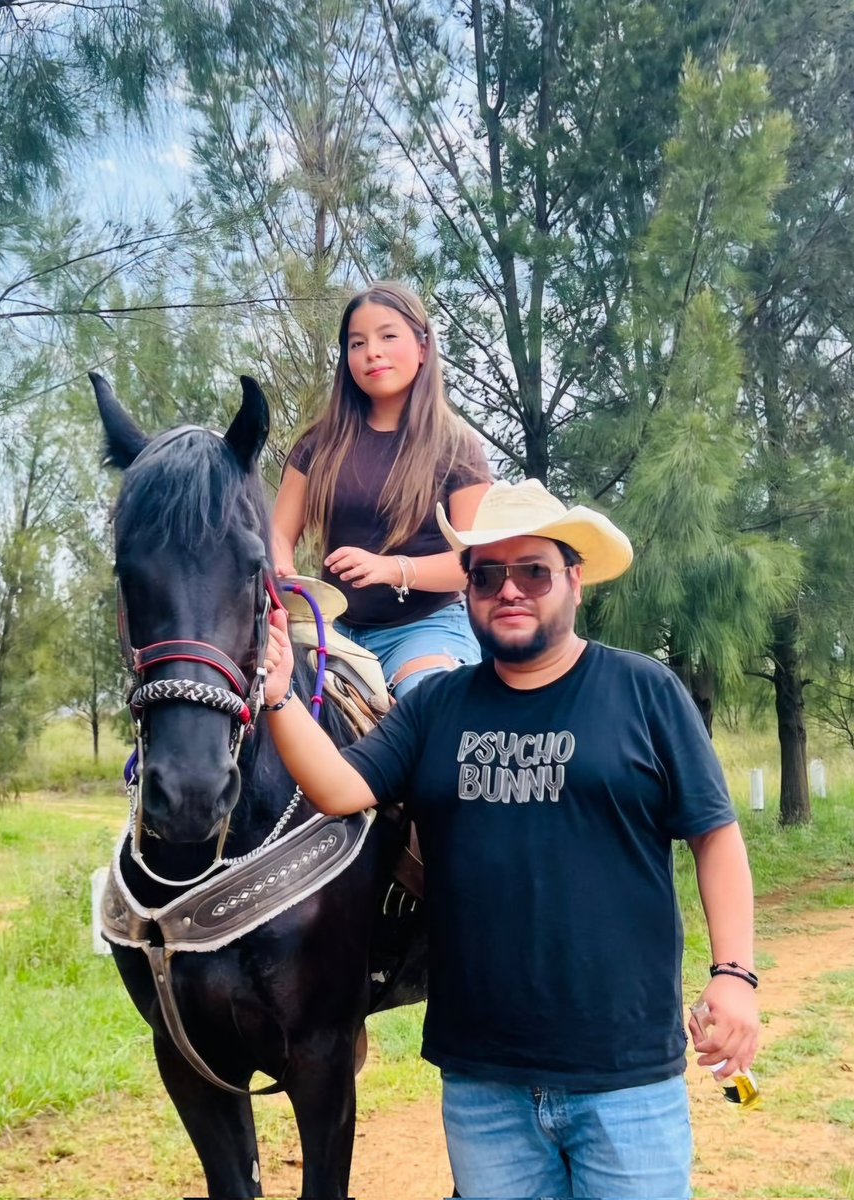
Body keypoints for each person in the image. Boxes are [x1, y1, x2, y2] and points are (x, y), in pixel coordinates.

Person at [261, 478, 760, 1199]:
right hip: (482, 1081)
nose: (509, 590)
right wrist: (277, 694)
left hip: (622, 1076)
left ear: (573, 582)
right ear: (467, 592)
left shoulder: (642, 691)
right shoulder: (435, 705)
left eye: (532, 571)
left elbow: (714, 837)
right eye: (486, 575)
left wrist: (734, 977)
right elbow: (338, 788)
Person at [272, 281, 491, 697]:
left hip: (426, 630)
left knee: (427, 710)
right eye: (357, 343)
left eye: (388, 336)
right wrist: (281, 566)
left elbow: (475, 563)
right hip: (327, 630)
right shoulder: (318, 445)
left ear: (423, 347)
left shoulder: (457, 445)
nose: (372, 351)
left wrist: (391, 568)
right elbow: (279, 533)